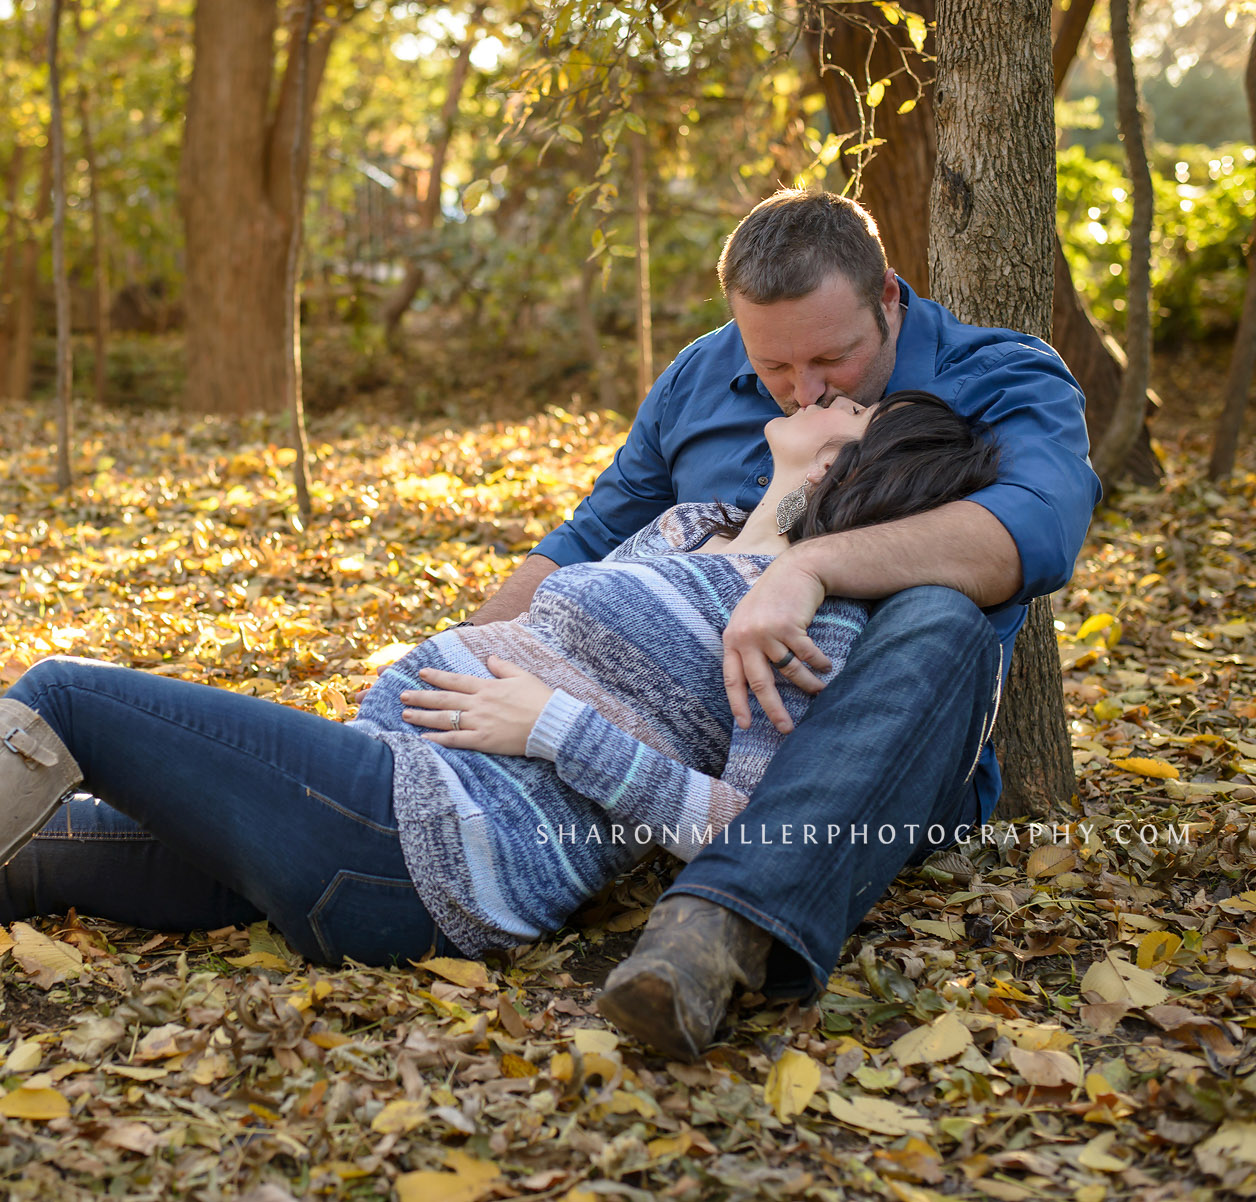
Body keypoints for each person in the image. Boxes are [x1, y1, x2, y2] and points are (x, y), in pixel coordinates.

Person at [0, 392, 999, 1044]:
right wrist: (773, 502)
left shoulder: (818, 629)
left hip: (438, 852)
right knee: (33, 851)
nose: (807, 394)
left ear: (885, 461)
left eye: (843, 403)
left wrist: (554, 723)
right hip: (385, 801)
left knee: (62, 696)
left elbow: (734, 829)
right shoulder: (705, 522)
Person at [452, 188, 1099, 1058]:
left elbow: (1034, 532)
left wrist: (807, 565)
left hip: (887, 763)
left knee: (939, 608)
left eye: (836, 357)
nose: (806, 391)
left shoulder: (1001, 374)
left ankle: (711, 932)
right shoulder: (698, 376)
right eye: (775, 370)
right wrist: (454, 659)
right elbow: (586, 540)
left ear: (889, 299)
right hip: (690, 758)